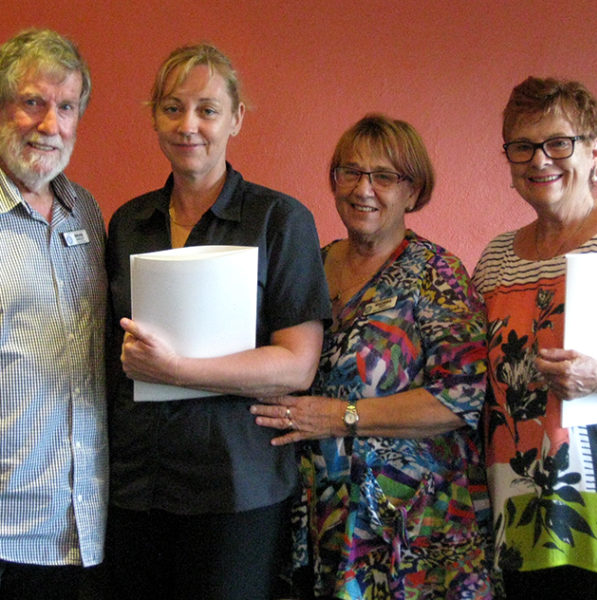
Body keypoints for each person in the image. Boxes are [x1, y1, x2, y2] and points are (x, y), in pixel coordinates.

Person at [105, 43, 330, 600]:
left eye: (207, 109)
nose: (189, 125)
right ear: (154, 118)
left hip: (236, 490)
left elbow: (297, 366)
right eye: (172, 108)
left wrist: (176, 370)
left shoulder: (280, 220)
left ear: (236, 119)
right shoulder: (129, 222)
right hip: (136, 484)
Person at [251, 114, 494, 599]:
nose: (364, 189)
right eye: (351, 172)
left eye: (384, 176)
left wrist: (342, 416)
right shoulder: (312, 264)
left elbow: (460, 398)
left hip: (410, 524)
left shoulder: (437, 274)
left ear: (412, 191)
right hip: (315, 516)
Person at [472, 76, 597, 599]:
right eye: (522, 146)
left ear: (593, 153)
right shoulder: (496, 259)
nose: (540, 159)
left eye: (558, 143)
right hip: (518, 504)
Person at [0, 28, 108, 600]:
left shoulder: (84, 211)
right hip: (8, 533)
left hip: (88, 527)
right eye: (32, 102)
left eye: (66, 107)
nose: (50, 125)